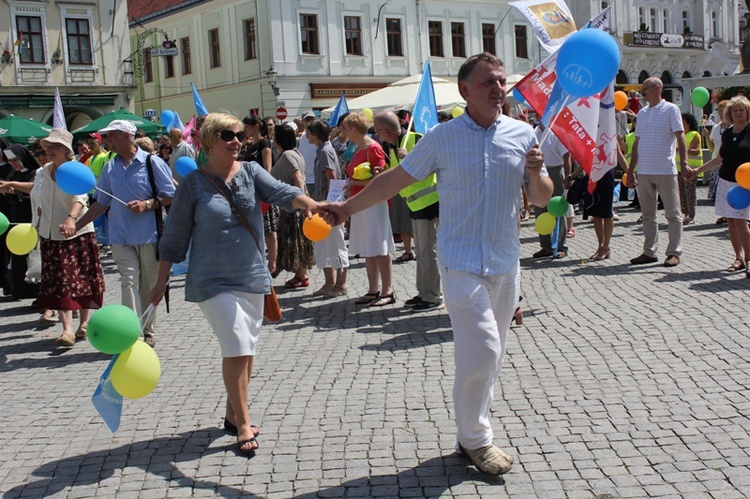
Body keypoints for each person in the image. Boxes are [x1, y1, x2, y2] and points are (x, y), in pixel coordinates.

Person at [319, 53, 552, 475]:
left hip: (505, 261)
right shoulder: (443, 138)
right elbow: (394, 179)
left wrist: (537, 173)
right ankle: (477, 439)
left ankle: (470, 432)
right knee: (481, 349)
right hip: (460, 261)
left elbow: (540, 197)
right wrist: (345, 208)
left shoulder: (523, 134)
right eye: (488, 82)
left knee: (493, 353)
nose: (498, 88)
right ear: (465, 91)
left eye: (501, 81)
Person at [148, 112, 318, 456]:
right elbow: (175, 236)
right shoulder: (193, 184)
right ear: (209, 141)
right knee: (238, 343)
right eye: (227, 135)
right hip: (212, 279)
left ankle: (230, 412)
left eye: (238, 134)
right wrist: (161, 280)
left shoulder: (252, 172)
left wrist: (309, 203)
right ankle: (243, 423)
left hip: (251, 274)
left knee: (246, 347)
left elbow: (283, 192)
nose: (236, 140)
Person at [74, 120, 175, 348]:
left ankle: (148, 330)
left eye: (109, 136)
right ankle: (133, 332)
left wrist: (147, 205)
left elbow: (170, 194)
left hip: (148, 235)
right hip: (119, 236)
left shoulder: (152, 162)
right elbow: (102, 203)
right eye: (105, 137)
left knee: (148, 285)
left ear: (126, 136)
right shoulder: (110, 167)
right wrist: (77, 224)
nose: (105, 141)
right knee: (128, 281)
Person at [35, 129, 104, 347]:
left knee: (82, 279)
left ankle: (84, 323)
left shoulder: (76, 170)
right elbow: (39, 193)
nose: (49, 150)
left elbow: (80, 198)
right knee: (60, 283)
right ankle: (67, 330)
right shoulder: (43, 172)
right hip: (51, 234)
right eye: (47, 147)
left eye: (54, 147)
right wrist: (40, 209)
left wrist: (72, 219)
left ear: (66, 150)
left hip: (77, 234)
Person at [374, 110, 442, 311]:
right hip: (415, 204)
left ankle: (433, 296)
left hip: (431, 202)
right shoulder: (394, 145)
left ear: (386, 131)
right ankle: (424, 292)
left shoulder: (416, 139)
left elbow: (435, 166)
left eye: (378, 130)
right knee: (422, 252)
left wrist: (412, 157)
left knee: (429, 252)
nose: (376, 134)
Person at [625, 77, 691, 267]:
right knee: (648, 214)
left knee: (672, 213)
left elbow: (680, 137)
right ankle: (649, 251)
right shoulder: (642, 113)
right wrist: (631, 171)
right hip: (645, 170)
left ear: (656, 89)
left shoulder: (671, 109)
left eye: (644, 89)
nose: (641, 93)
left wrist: (683, 163)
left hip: (665, 169)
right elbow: (637, 143)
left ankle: (674, 251)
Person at [341, 112, 396, 307]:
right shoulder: (357, 148)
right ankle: (373, 289)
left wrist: (355, 182)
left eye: (346, 129)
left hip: (373, 203)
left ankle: (387, 290)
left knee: (380, 248)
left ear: (353, 129)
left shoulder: (373, 148)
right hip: (361, 203)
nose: (344, 133)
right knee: (368, 247)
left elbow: (380, 179)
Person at [695, 95, 750, 275]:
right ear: (729, 113)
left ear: (747, 112)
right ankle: (738, 258)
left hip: (745, 184)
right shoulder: (727, 133)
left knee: (742, 222)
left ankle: (749, 259)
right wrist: (698, 171)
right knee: (732, 222)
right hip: (726, 180)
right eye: (735, 110)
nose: (738, 113)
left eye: (741, 109)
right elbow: (719, 158)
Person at [306, 119, 349, 297]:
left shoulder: (325, 151)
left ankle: (341, 284)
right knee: (322, 244)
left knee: (335, 244)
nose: (306, 135)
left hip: (328, 204)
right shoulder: (321, 150)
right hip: (322, 203)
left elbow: (331, 177)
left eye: (308, 132)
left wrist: (330, 203)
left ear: (315, 134)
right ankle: (329, 282)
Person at [271, 124, 314, 288]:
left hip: (294, 204)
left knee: (295, 239)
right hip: (294, 202)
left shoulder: (288, 156)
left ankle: (302, 275)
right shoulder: (295, 153)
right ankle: (301, 274)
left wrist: (301, 200)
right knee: (298, 240)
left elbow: (297, 177)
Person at [239, 114, 279, 276]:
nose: (245, 130)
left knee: (269, 229)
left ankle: (272, 263)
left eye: (247, 127)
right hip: (251, 192)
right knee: (257, 228)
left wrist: (265, 189)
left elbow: (268, 169)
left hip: (263, 192)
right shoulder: (249, 146)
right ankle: (259, 259)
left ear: (255, 126)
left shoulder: (264, 144)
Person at [0, 144, 41, 300]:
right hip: (17, 215)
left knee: (34, 256)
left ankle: (37, 292)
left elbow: (32, 188)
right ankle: (21, 290)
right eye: (10, 161)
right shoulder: (15, 174)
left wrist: (10, 184)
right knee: (19, 256)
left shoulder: (36, 172)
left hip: (31, 215)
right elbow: (12, 190)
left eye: (15, 160)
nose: (13, 164)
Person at [533, 124, 571, 258]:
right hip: (539, 173)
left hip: (555, 171)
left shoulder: (557, 132)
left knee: (557, 209)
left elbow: (566, 156)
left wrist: (567, 176)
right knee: (540, 208)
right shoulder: (534, 132)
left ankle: (561, 246)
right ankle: (546, 246)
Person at [677, 113, 702, 225]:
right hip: (678, 168)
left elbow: (696, 151)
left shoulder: (694, 134)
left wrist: (682, 149)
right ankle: (685, 213)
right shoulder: (680, 135)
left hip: (690, 169)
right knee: (681, 192)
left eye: (682, 121)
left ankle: (691, 215)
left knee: (689, 192)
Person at [705, 100, 730, 206]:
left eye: (723, 110)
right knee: (718, 193)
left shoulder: (734, 128)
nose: (720, 113)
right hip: (716, 162)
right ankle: (723, 215)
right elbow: (712, 148)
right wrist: (706, 137)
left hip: (728, 164)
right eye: (719, 110)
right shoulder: (716, 127)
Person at [297, 111, 318, 196]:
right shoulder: (301, 138)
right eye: (307, 119)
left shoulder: (320, 136)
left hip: (316, 179)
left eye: (311, 119)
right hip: (305, 180)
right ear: (302, 122)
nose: (309, 122)